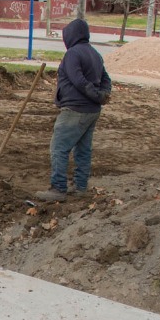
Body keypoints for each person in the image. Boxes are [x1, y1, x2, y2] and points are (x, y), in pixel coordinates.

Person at [37, 17, 111, 202]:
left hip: (75, 109)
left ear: (70, 36)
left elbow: (78, 81)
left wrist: (96, 94)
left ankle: (58, 188)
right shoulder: (95, 54)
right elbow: (106, 80)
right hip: (92, 110)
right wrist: (102, 95)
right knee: (83, 149)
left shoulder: (73, 54)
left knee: (59, 147)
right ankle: (80, 187)